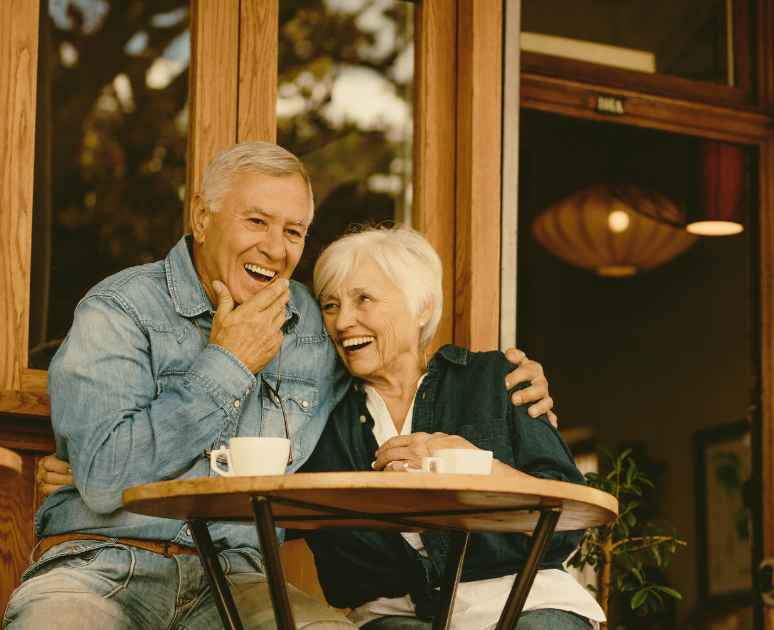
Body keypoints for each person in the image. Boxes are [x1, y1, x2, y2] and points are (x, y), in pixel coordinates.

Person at [7, 141, 556, 630]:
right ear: (202, 216)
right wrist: (227, 361)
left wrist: (511, 382)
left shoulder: (317, 329)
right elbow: (104, 480)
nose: (276, 248)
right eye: (257, 222)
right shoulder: (120, 309)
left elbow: (395, 361)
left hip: (242, 576)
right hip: (102, 562)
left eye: (293, 232)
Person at [296, 224, 604, 630]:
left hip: (525, 599)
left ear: (421, 307)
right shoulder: (314, 410)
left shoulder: (496, 379)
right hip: (396, 615)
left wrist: (479, 470)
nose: (343, 321)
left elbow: (567, 522)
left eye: (364, 299)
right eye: (330, 305)